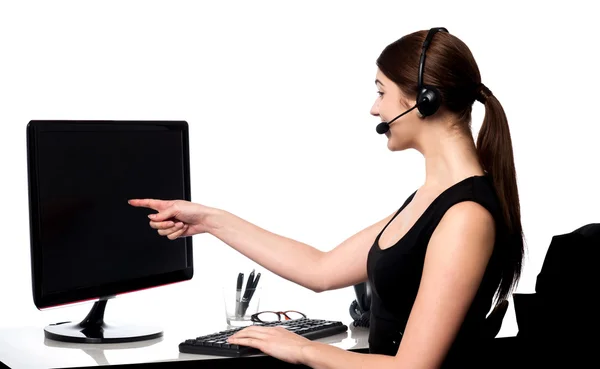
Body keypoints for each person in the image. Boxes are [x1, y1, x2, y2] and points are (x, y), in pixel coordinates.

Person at [129, 27, 524, 369]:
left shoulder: (466, 215)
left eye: (381, 92)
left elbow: (414, 366)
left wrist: (304, 350)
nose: (374, 109)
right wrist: (210, 221)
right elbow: (322, 269)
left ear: (423, 101)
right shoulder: (434, 199)